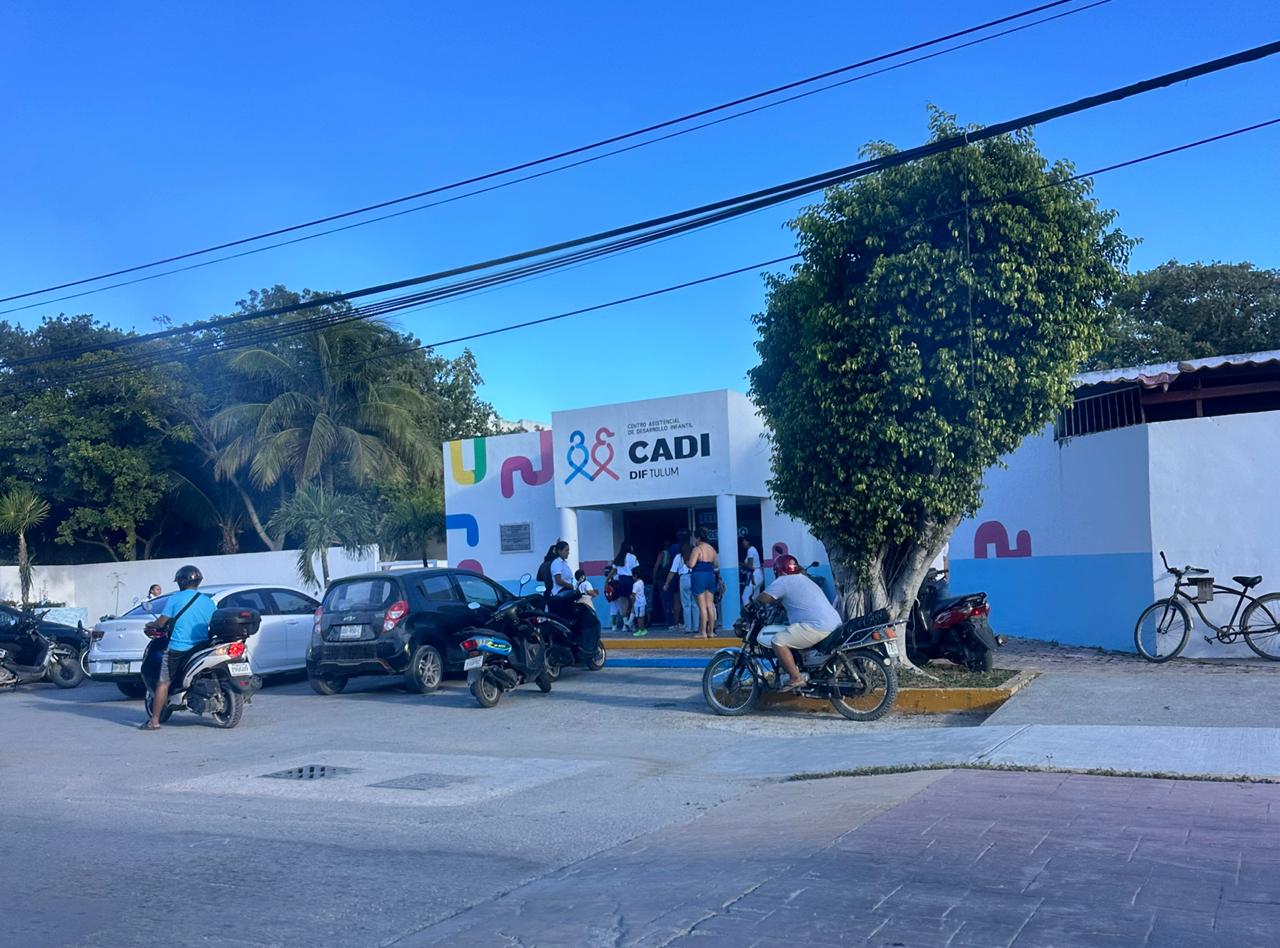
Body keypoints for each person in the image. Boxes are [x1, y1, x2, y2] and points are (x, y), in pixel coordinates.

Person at [141, 565, 216, 730]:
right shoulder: (208, 601)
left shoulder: (175, 598)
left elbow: (161, 622)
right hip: (202, 647)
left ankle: (154, 721)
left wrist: (151, 624)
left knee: (163, 682)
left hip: (178, 648)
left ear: (181, 582)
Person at [757, 553, 842, 691]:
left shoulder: (783, 581)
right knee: (794, 633)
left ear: (779, 570)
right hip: (833, 623)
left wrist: (754, 603)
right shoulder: (804, 579)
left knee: (778, 641)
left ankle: (796, 678)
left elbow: (764, 597)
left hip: (817, 626)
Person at [687, 528, 720, 639]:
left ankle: (703, 632)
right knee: (710, 605)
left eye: (694, 538)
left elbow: (691, 564)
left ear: (698, 538)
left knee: (702, 606)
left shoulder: (697, 549)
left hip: (699, 576)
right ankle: (711, 632)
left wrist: (687, 562)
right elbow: (716, 564)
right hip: (710, 576)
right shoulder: (712, 549)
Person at [664, 533, 696, 633]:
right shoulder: (695, 554)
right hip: (694, 578)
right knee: (695, 604)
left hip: (684, 579)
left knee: (686, 605)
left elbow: (672, 572)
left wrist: (666, 584)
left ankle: (688, 628)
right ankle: (696, 627)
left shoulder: (679, 557)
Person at [610, 541, 639, 628]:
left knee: (624, 604)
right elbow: (636, 570)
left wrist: (607, 580)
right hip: (630, 580)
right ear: (629, 547)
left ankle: (625, 625)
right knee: (634, 602)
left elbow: (613, 571)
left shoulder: (619, 557)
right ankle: (630, 622)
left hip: (621, 580)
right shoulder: (633, 557)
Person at [739, 536, 763, 608]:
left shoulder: (750, 550)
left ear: (748, 541)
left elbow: (750, 566)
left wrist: (739, 563)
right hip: (758, 574)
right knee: (755, 598)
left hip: (754, 575)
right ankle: (758, 614)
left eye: (744, 541)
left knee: (745, 597)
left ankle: (749, 614)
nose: (743, 542)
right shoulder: (753, 549)